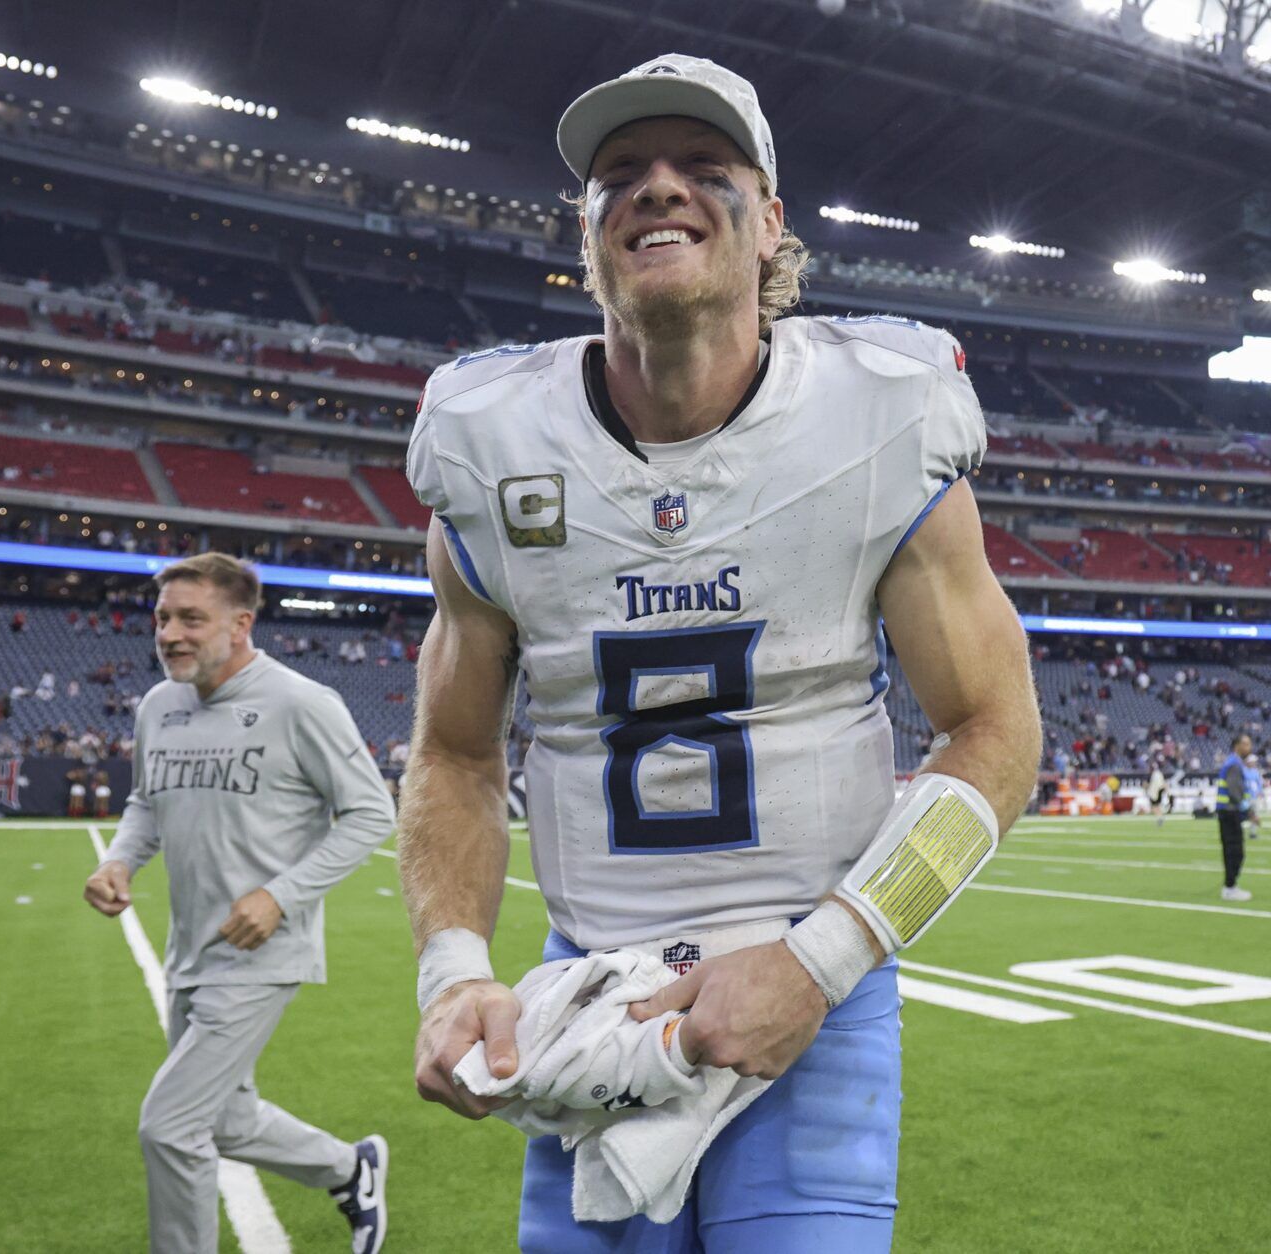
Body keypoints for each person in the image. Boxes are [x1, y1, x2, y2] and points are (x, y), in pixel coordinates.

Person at [399, 54, 1042, 1251]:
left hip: (818, 979)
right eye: (620, 176)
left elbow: (997, 734)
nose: (658, 190)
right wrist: (451, 971)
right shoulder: (490, 442)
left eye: (704, 168)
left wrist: (822, 960)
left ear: (771, 226)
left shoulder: (881, 412)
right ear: (586, 231)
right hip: (594, 991)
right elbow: (453, 752)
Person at [83, 553, 397, 1254]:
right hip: (190, 950)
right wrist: (117, 860)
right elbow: (144, 803)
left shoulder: (301, 703)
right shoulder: (158, 705)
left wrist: (280, 898)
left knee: (171, 1126)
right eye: (163, 618)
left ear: (241, 623)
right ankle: (351, 1169)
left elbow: (373, 814)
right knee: (224, 1120)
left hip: (261, 954)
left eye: (191, 618)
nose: (170, 633)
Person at [1215, 733, 1253, 901]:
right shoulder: (1234, 764)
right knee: (1235, 851)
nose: (1249, 748)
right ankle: (1230, 887)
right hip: (1230, 812)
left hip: (1227, 812)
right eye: (1246, 744)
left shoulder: (1233, 762)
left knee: (1232, 850)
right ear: (1237, 745)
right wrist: (1248, 811)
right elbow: (1235, 790)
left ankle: (1230, 886)